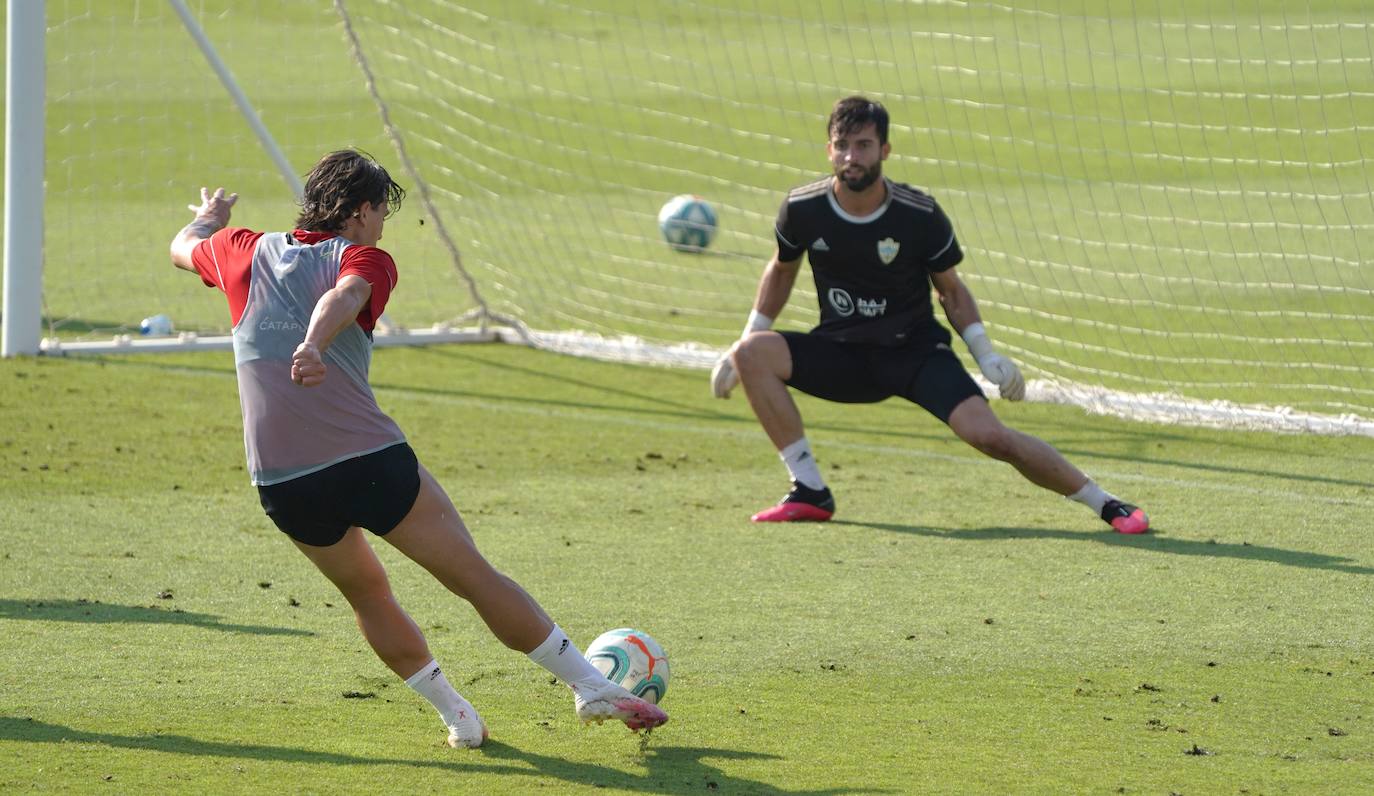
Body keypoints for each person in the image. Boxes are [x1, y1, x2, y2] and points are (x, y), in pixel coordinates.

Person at [169, 149, 667, 749]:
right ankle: (593, 687)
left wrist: (211, 217)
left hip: (281, 482)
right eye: (381, 211)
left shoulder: (240, 249)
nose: (383, 225)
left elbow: (182, 245)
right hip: (366, 462)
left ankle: (457, 715)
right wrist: (312, 345)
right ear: (359, 212)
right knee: (474, 577)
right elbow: (346, 297)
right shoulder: (364, 257)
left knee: (367, 594)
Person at [710, 97, 1149, 535]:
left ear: (885, 150)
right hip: (842, 353)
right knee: (753, 354)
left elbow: (951, 291)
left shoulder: (917, 214)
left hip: (914, 354)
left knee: (991, 437)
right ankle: (809, 490)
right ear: (829, 150)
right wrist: (744, 343)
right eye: (841, 145)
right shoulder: (802, 208)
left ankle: (1106, 504)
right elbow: (782, 270)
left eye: (863, 145)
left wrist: (986, 354)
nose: (851, 156)